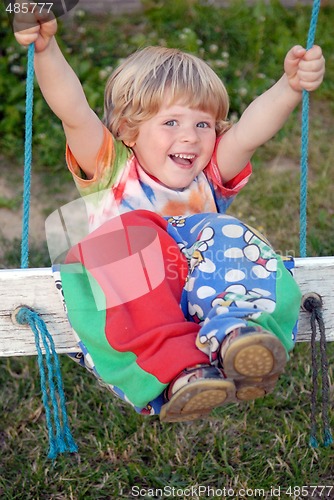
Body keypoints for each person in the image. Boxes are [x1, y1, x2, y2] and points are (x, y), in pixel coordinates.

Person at [14, 8, 325, 422]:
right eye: (172, 121)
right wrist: (46, 49)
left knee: (224, 231)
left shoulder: (207, 176)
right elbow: (73, 111)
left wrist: (289, 87)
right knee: (128, 233)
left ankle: (238, 335)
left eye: (204, 125)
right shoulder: (113, 170)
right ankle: (182, 375)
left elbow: (250, 131)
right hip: (136, 310)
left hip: (201, 297)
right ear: (127, 130)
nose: (190, 137)